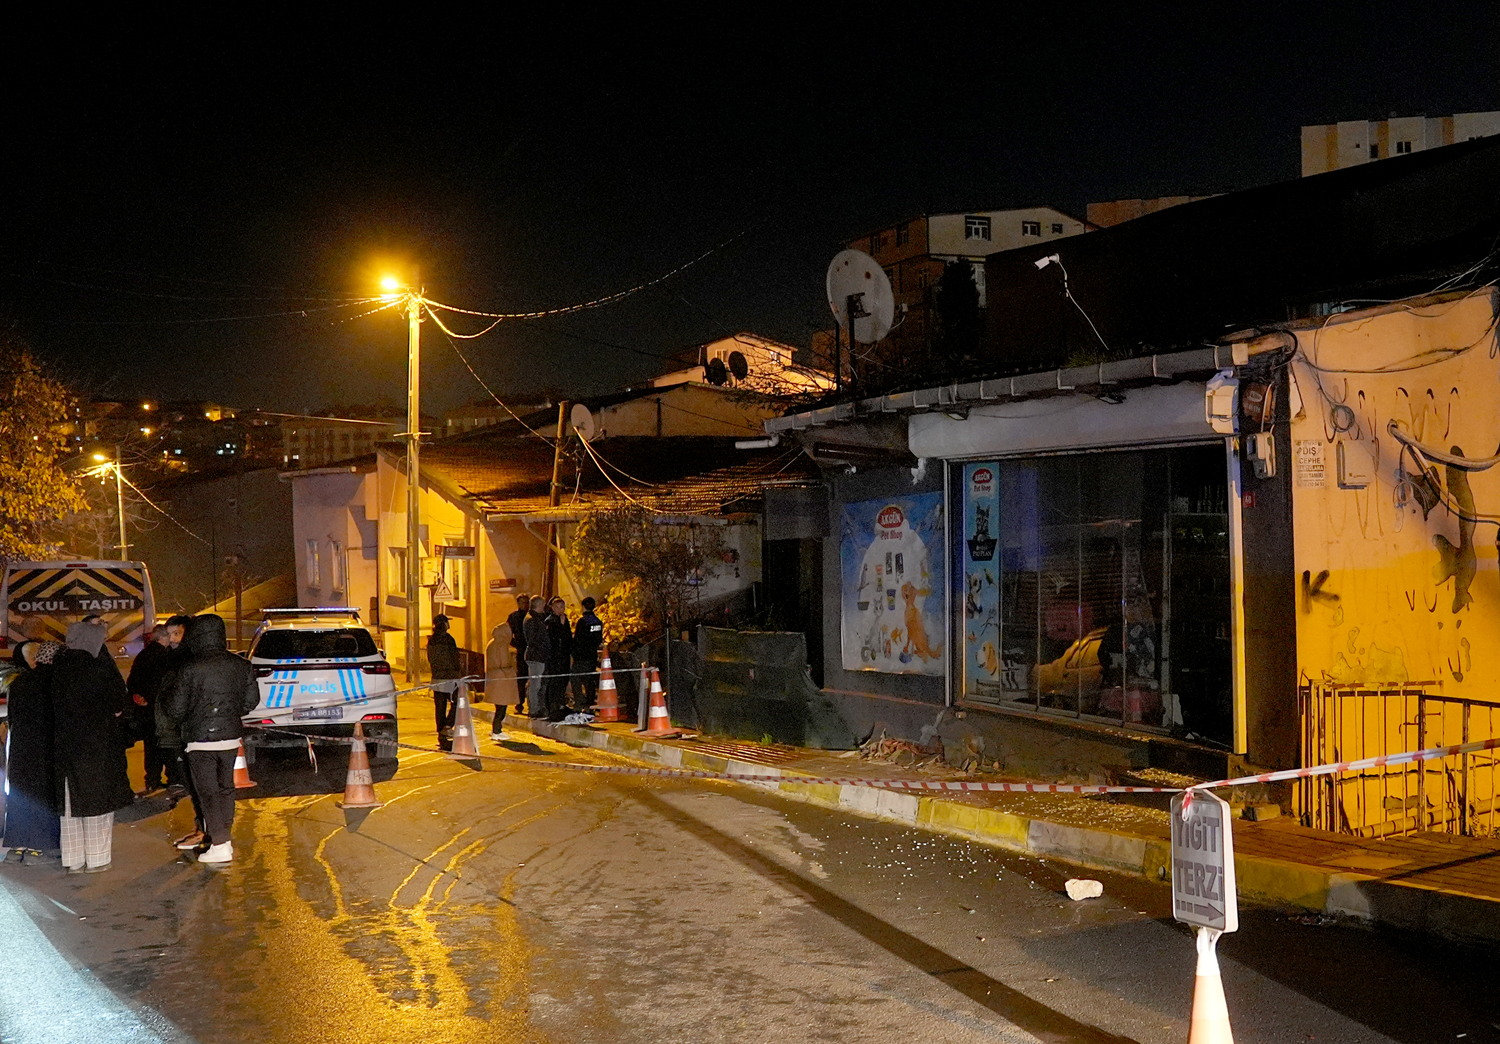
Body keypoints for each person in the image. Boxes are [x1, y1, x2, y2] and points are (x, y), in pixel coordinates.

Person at [162, 614, 260, 865]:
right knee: (225, 789)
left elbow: (175, 709)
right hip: (230, 737)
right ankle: (223, 840)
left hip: (199, 738)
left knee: (207, 793)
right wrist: (229, 712)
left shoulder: (190, 667)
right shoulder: (240, 664)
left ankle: (220, 844)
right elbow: (251, 701)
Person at [50, 619, 134, 874]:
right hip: (96, 747)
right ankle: (97, 859)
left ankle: (73, 860)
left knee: (69, 805)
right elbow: (118, 703)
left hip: (64, 748)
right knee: (97, 803)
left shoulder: (57, 668)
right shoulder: (97, 668)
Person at [2, 640, 63, 864]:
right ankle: (40, 848)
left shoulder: (19, 682)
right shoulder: (54, 684)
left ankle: (17, 847)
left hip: (20, 749)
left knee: (21, 796)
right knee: (43, 797)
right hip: (45, 750)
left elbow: (12, 717)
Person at [156, 614, 203, 851]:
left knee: (199, 785)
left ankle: (205, 832)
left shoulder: (189, 661)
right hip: (179, 731)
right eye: (169, 634)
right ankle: (202, 829)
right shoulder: (171, 659)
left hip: (190, 732)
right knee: (193, 785)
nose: (172, 639)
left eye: (177, 634)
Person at [126, 624, 172, 793]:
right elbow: (164, 683)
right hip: (161, 709)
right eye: (168, 636)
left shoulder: (143, 655)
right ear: (162, 637)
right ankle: (172, 778)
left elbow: (132, 681)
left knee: (150, 745)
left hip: (146, 710)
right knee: (166, 745)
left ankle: (152, 779)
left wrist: (139, 697)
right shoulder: (165, 656)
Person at [427, 615, 463, 742]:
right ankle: (447, 725)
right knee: (456, 702)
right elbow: (454, 658)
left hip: (437, 677)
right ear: (444, 624)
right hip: (449, 677)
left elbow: (431, 659)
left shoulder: (432, 640)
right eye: (447, 622)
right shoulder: (448, 639)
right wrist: (458, 672)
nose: (449, 624)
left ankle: (441, 730)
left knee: (440, 707)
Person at [484, 623, 519, 741]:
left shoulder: (492, 643)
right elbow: (505, 665)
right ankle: (497, 731)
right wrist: (513, 660)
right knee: (501, 708)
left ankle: (496, 730)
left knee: (498, 707)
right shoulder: (502, 645)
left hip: (495, 680)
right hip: (502, 681)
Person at [571, 596, 604, 713]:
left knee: (575, 678)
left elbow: (578, 640)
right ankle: (589, 704)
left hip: (582, 656)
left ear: (583, 607)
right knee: (589, 680)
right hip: (592, 655)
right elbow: (598, 639)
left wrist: (574, 653)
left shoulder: (582, 622)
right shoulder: (598, 622)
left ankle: (579, 703)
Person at [544, 597, 572, 721]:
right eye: (560, 607)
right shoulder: (550, 621)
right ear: (553, 608)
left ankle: (561, 704)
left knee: (563, 681)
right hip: (555, 657)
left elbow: (567, 637)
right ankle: (553, 707)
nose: (562, 610)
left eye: (563, 607)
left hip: (564, 656)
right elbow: (553, 639)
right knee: (554, 682)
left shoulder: (564, 620)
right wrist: (561, 626)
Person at [521, 596, 550, 718]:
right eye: (543, 604)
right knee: (535, 684)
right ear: (539, 605)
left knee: (537, 683)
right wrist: (544, 648)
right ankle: (534, 709)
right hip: (536, 656)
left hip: (538, 655)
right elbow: (534, 640)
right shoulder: (532, 620)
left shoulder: (535, 618)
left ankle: (537, 707)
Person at [506, 593, 530, 714]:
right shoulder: (514, 617)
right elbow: (507, 633)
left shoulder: (532, 616)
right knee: (521, 678)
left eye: (526, 602)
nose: (525, 605)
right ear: (518, 603)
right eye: (522, 602)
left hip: (532, 649)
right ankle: (519, 704)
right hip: (521, 650)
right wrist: (517, 644)